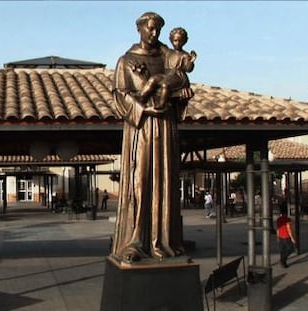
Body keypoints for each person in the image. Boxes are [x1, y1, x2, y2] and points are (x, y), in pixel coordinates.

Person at [111, 12, 194, 264]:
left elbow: (181, 78)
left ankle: (164, 240)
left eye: (158, 29)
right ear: (140, 29)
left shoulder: (168, 57)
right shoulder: (126, 60)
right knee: (141, 180)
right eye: (150, 29)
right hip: (142, 130)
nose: (154, 33)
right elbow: (119, 95)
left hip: (166, 127)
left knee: (165, 180)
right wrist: (144, 108)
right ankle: (136, 240)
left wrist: (181, 93)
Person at [138, 27, 197, 110]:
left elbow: (188, 69)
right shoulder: (168, 51)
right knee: (153, 79)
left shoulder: (185, 55)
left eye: (180, 41)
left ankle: (161, 104)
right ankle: (141, 97)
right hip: (168, 74)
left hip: (179, 77)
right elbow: (158, 44)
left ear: (185, 41)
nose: (177, 43)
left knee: (165, 84)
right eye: (175, 41)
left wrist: (191, 61)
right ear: (171, 40)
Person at [276, 201, 296, 268]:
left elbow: (278, 229)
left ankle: (283, 263)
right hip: (286, 237)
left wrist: (278, 236)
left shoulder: (278, 219)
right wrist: (293, 238)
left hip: (281, 236)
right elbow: (289, 229)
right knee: (291, 249)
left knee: (282, 250)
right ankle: (283, 260)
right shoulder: (287, 220)